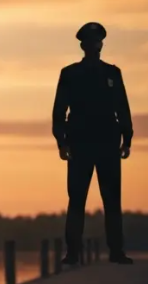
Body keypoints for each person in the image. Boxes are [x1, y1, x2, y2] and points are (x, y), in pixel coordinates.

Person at [51, 21, 134, 265]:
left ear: (101, 45)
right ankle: (73, 252)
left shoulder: (112, 73)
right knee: (77, 199)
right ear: (83, 45)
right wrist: (62, 142)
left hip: (108, 142)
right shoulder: (70, 74)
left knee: (111, 199)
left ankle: (116, 252)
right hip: (80, 143)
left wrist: (126, 139)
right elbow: (59, 111)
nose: (94, 45)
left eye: (97, 41)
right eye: (89, 42)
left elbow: (122, 107)